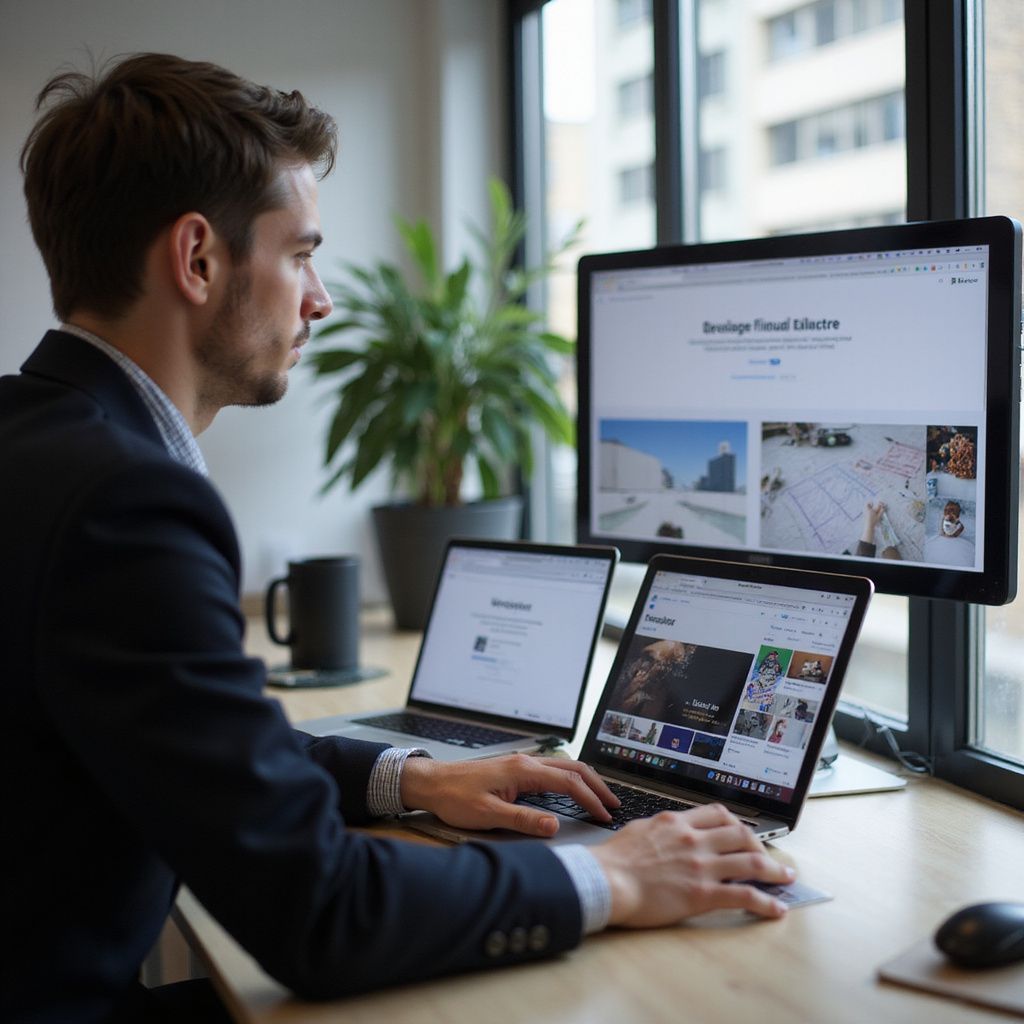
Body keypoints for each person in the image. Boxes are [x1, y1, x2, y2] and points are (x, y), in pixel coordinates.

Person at [1, 54, 793, 1024]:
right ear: (198, 258)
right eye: (299, 254)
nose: (319, 299)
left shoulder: (36, 440)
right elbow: (320, 912)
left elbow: (204, 751)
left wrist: (410, 778)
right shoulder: (125, 503)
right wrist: (614, 878)